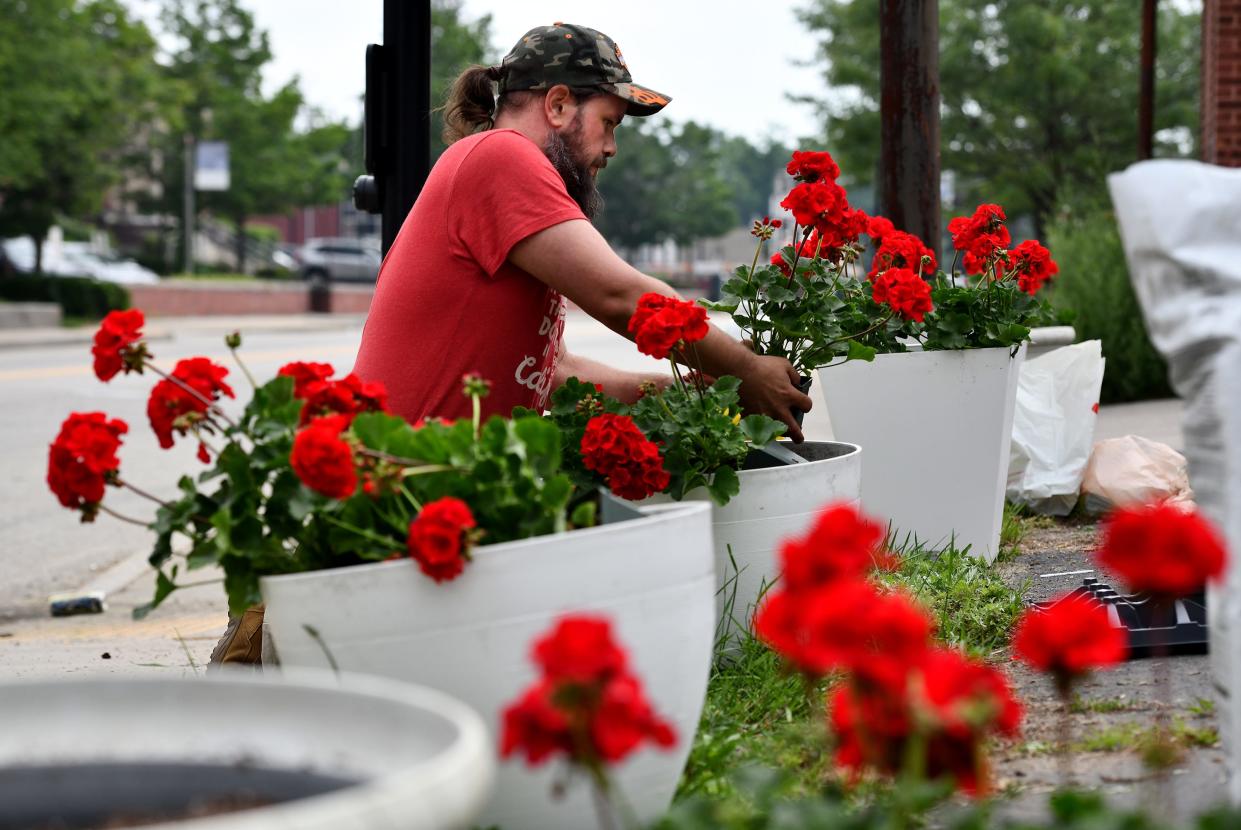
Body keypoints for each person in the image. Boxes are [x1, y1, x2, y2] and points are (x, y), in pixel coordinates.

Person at [352, 21, 812, 439]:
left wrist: (695, 388)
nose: (611, 148)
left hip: (435, 486)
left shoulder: (498, 169)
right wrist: (747, 369)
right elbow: (619, 296)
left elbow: (550, 374)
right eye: (607, 123)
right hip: (406, 489)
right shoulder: (500, 156)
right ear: (556, 104)